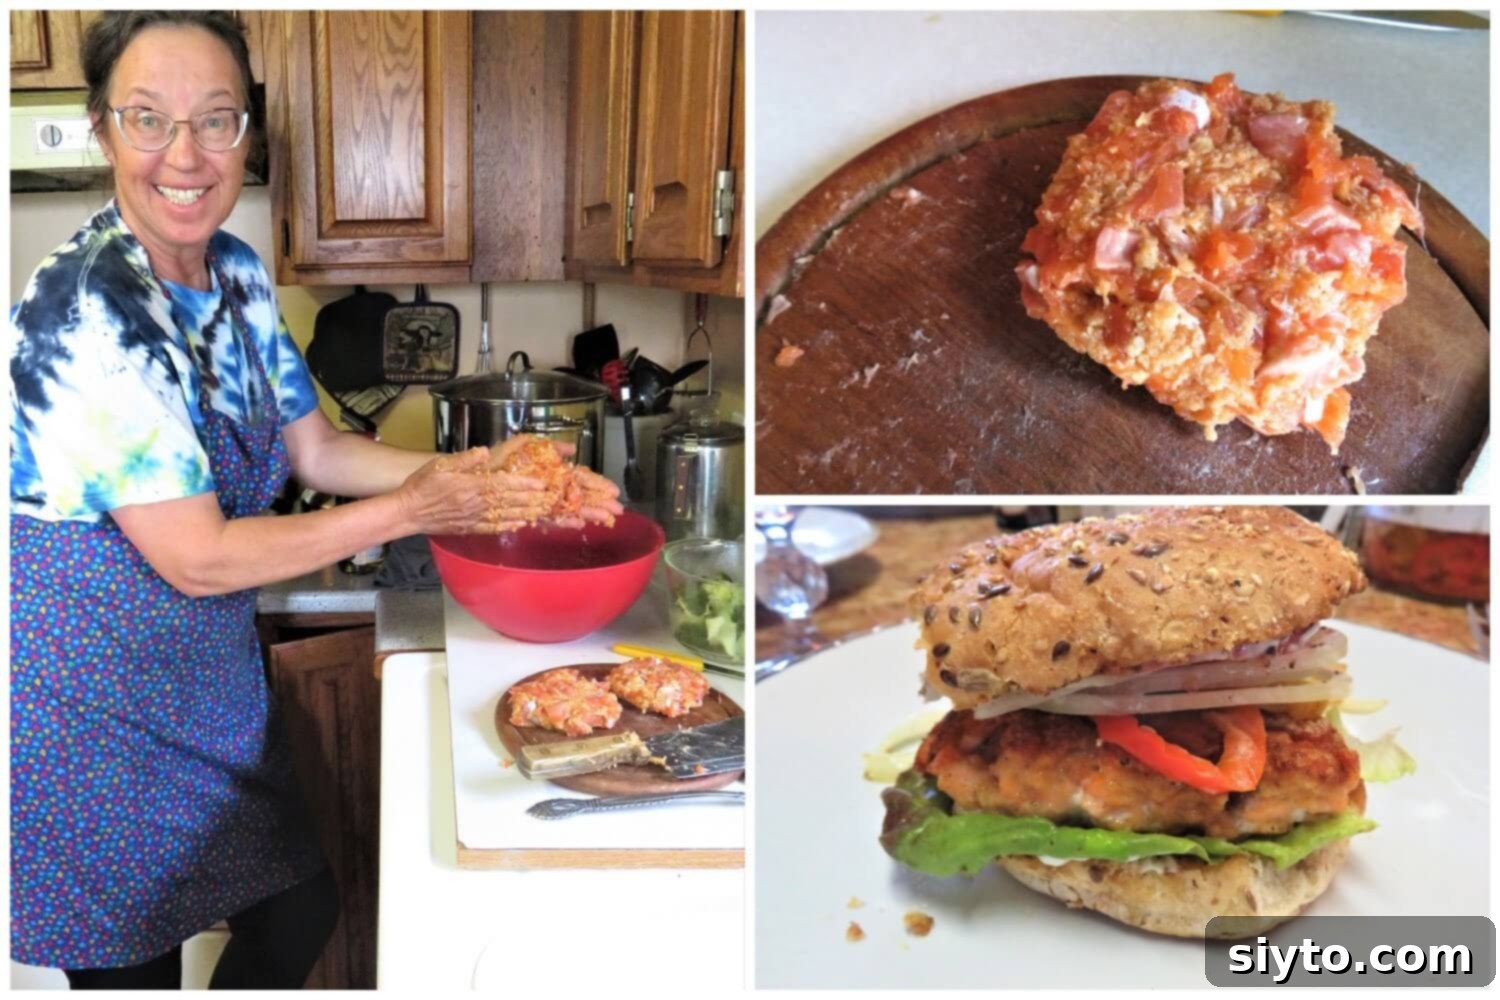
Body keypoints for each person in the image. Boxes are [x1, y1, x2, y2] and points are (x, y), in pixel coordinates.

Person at [8, 12, 620, 990]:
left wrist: (495, 473)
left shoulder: (238, 278)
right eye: (147, 118)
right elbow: (196, 555)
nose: (186, 154)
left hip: (205, 686)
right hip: (94, 708)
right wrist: (421, 506)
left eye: (217, 119)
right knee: (134, 967)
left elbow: (322, 448)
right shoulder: (88, 309)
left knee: (301, 909)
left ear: (247, 132)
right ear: (101, 128)